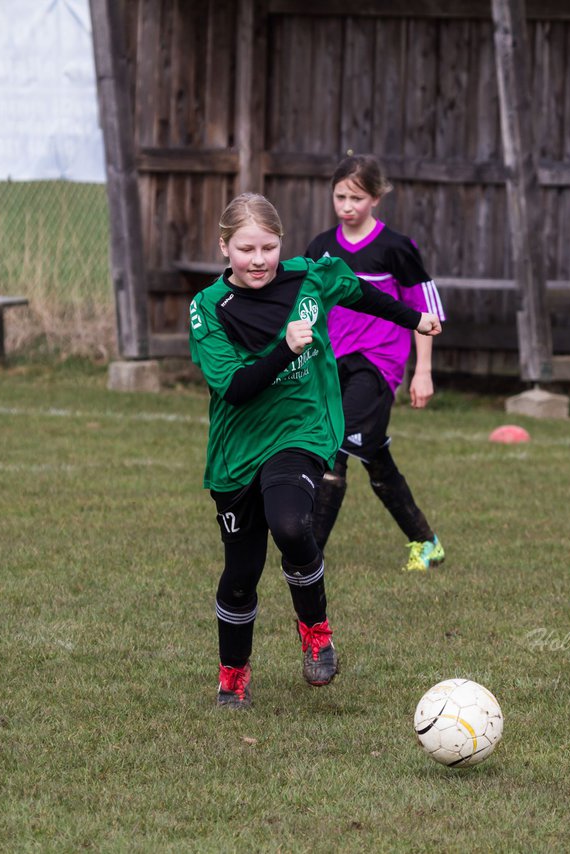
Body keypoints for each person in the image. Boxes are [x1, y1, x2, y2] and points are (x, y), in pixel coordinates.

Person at [189, 192, 442, 709]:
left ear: (282, 243)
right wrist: (287, 346)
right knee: (240, 574)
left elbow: (358, 293)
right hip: (238, 450)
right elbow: (236, 388)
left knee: (290, 524)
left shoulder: (311, 276)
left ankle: (316, 631)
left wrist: (413, 319)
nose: (259, 260)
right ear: (224, 247)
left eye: (269, 246)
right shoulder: (207, 309)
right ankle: (233, 675)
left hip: (301, 431)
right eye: (246, 249)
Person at [303, 154, 448, 572]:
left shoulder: (396, 249)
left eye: (357, 198)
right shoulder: (321, 247)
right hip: (332, 365)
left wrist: (423, 371)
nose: (347, 206)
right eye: (340, 196)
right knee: (374, 456)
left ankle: (308, 556)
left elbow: (427, 313)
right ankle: (426, 542)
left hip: (378, 365)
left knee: (334, 446)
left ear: (377, 198)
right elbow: (305, 305)